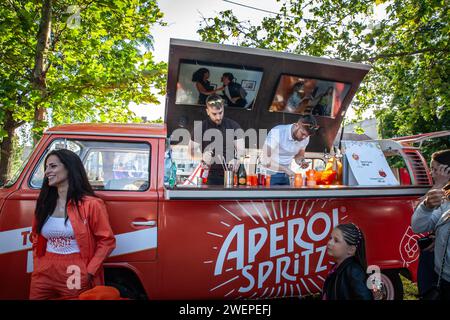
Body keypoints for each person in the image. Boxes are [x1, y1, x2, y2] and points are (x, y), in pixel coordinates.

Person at [29, 149, 116, 300]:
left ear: (69, 168)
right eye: (46, 167)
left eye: (53, 166)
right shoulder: (44, 202)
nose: (47, 171)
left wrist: (88, 271)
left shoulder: (92, 204)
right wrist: (38, 262)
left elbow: (107, 241)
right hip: (44, 268)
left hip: (75, 269)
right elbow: (36, 237)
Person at [411, 149, 450, 300]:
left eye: (435, 169)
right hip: (441, 271)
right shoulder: (445, 197)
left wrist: (439, 183)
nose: (432, 173)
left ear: (447, 170)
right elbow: (418, 224)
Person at [188, 94, 245, 185]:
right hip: (210, 175)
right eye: (214, 114)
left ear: (223, 109)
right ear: (207, 111)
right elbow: (190, 152)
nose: (218, 117)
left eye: (220, 112)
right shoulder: (200, 128)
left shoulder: (233, 126)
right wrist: (201, 156)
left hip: (232, 175)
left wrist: (237, 158)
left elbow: (241, 150)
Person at [260, 115, 319, 185]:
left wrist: (302, 161)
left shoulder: (305, 138)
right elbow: (265, 159)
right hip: (268, 174)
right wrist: (286, 169)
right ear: (296, 125)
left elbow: (299, 155)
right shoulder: (277, 132)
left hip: (286, 175)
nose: (304, 137)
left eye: (307, 135)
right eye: (302, 134)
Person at [322, 223, 373, 300]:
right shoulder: (336, 268)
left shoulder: (354, 271)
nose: (329, 243)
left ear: (351, 250)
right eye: (330, 238)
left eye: (336, 240)